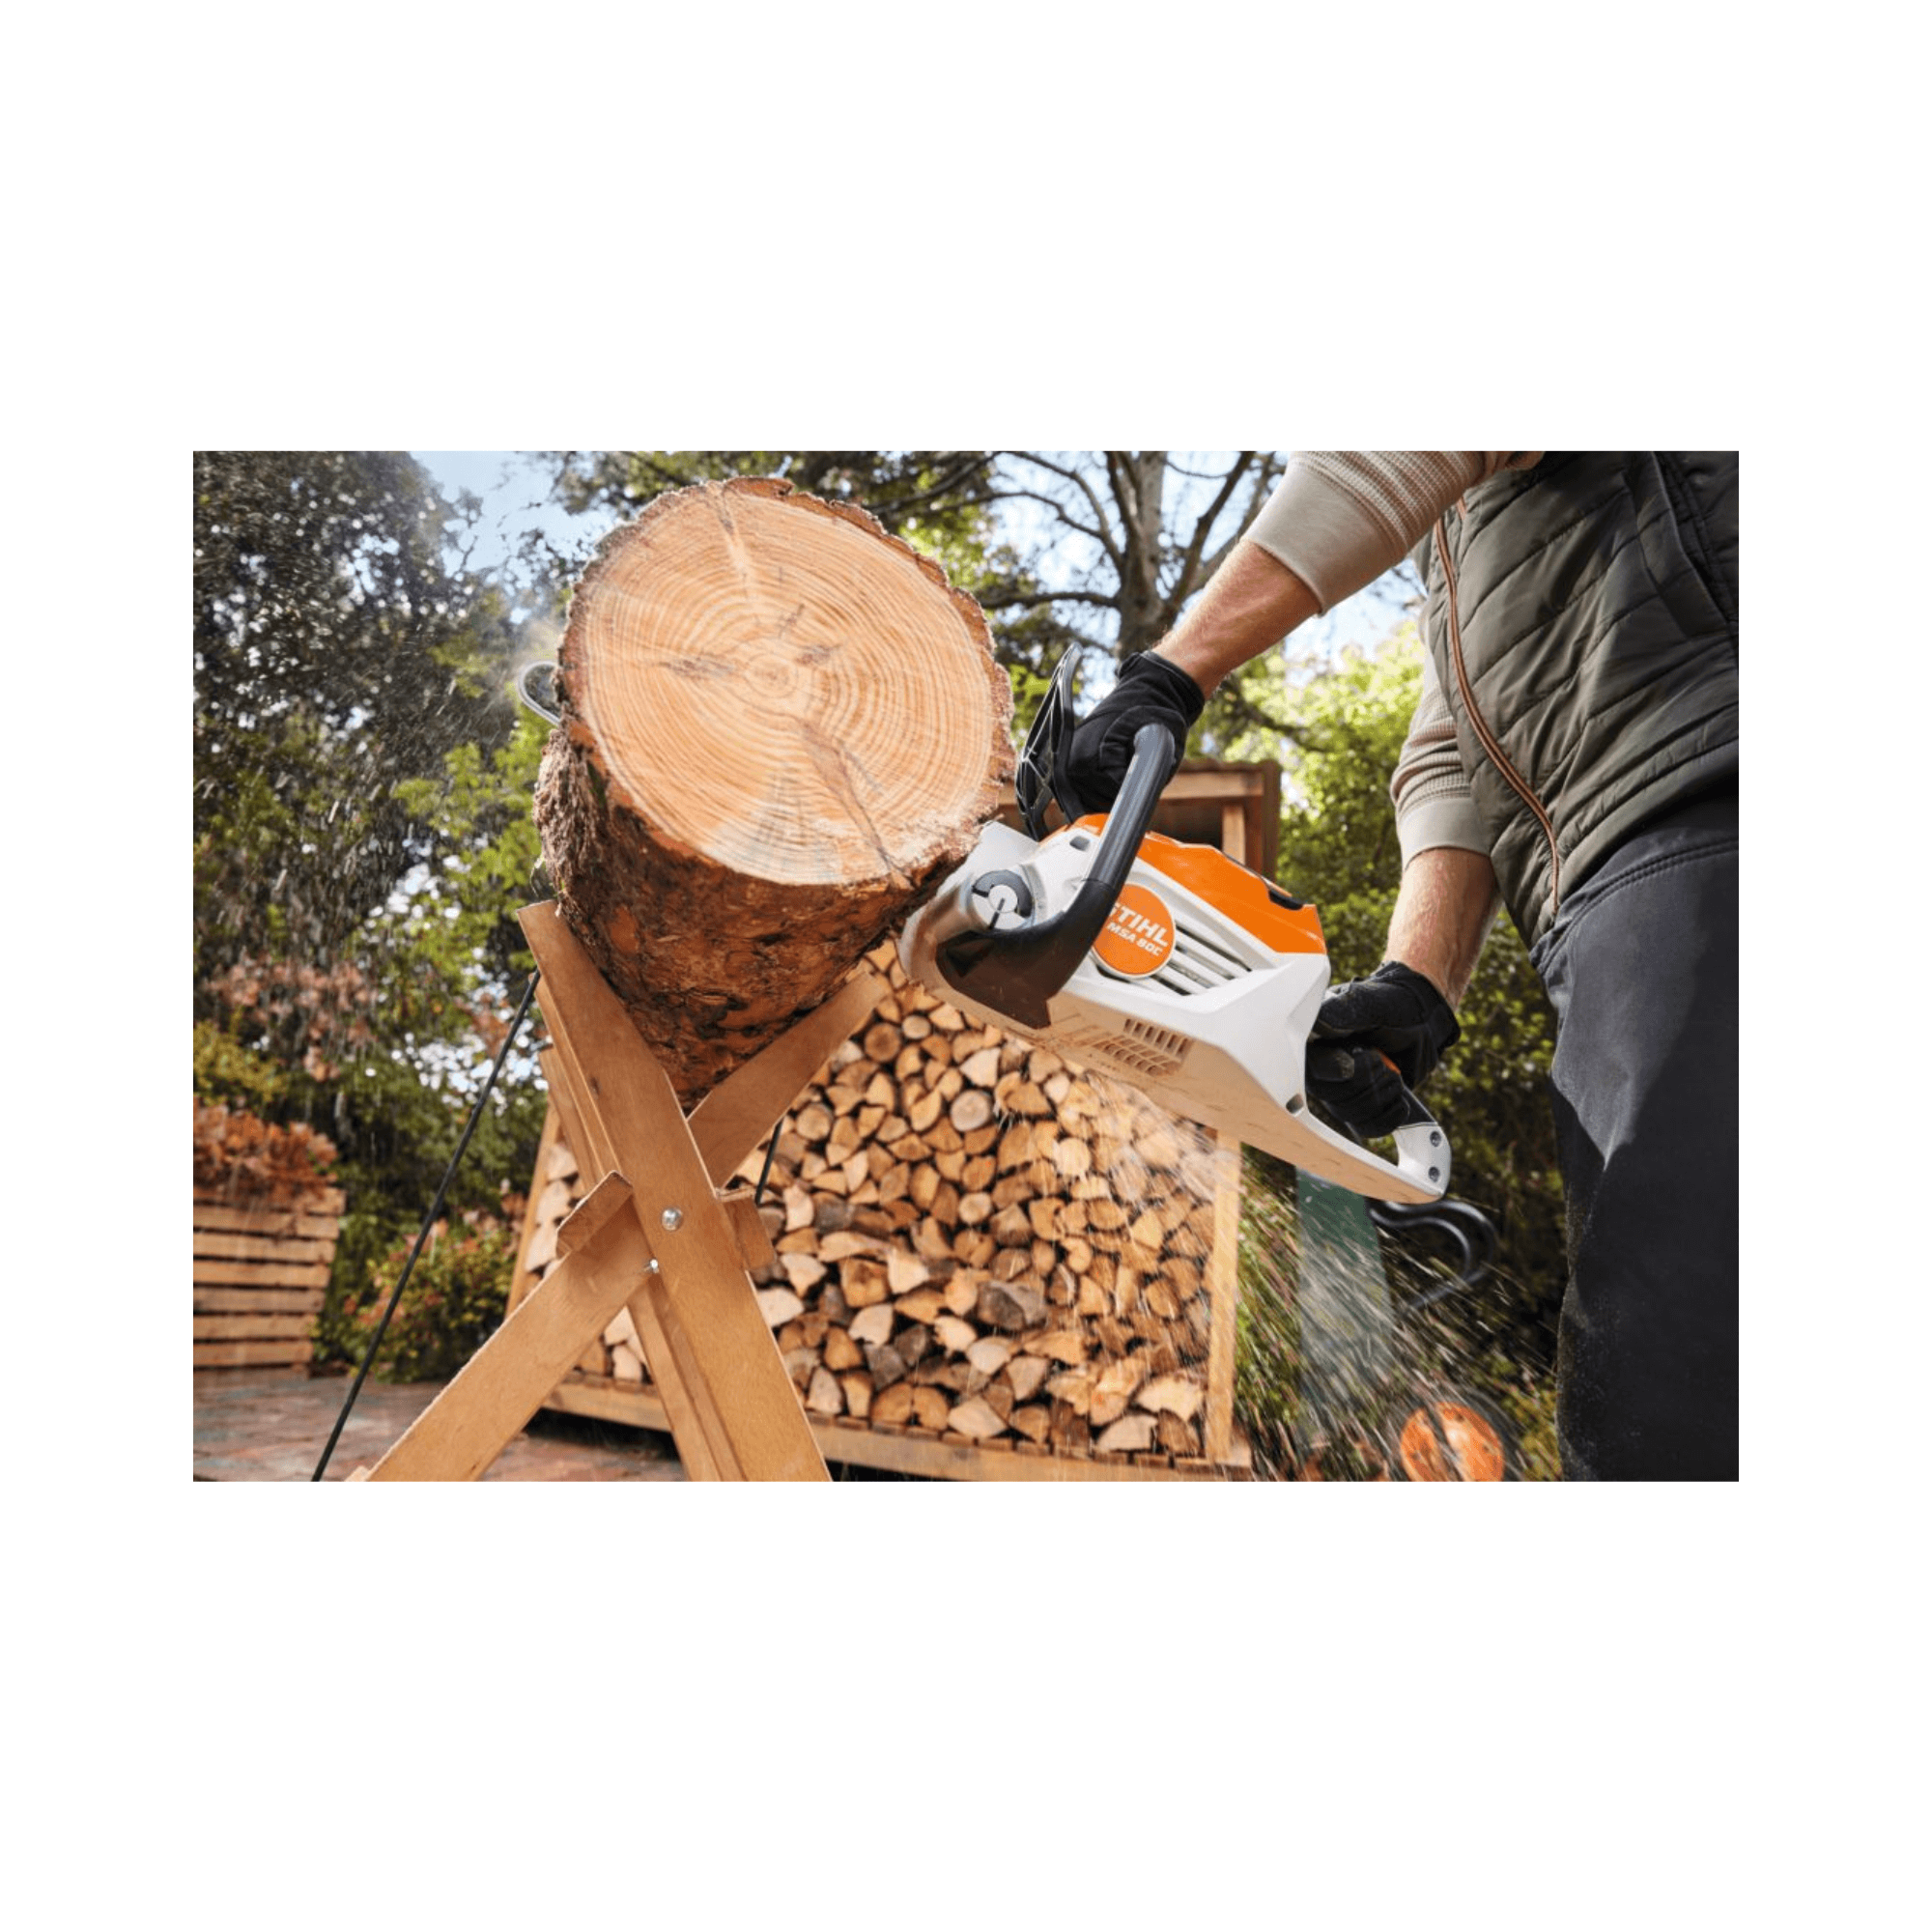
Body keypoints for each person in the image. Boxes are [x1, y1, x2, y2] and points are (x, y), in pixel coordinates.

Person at [1057, 453, 1738, 1481]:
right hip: (1599, 881)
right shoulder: (1466, 542)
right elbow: (1453, 749)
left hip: (1702, 795)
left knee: (1680, 1356)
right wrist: (1417, 984)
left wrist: (1173, 670)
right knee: (1658, 1351)